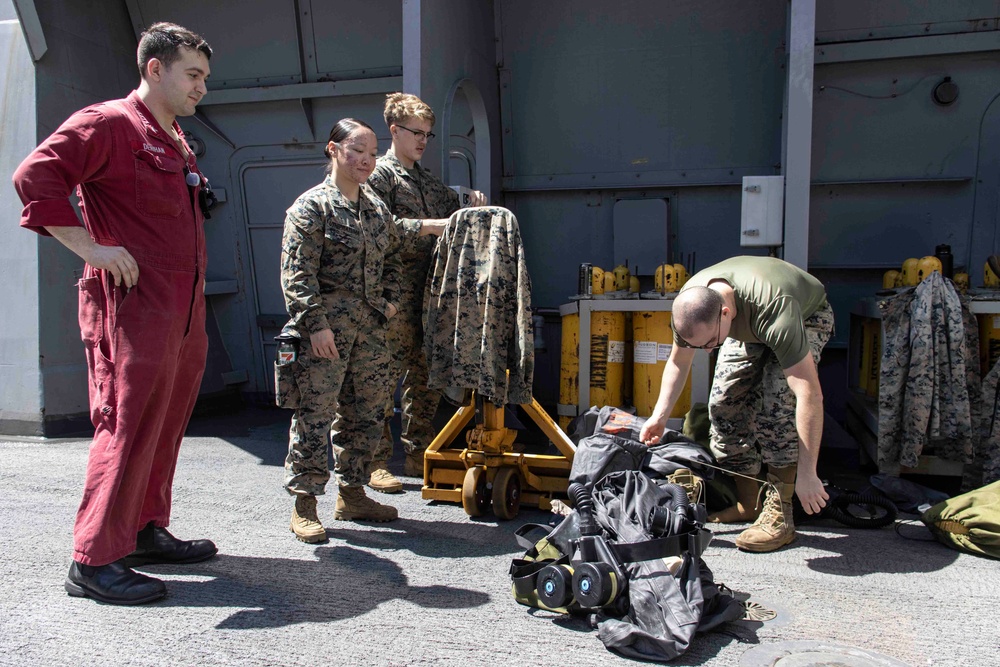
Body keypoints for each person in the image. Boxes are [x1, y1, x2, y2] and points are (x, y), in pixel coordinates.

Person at [12, 23, 217, 605]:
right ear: (156, 69)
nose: (202, 87)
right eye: (193, 75)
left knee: (166, 420)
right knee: (125, 424)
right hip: (133, 305)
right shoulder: (107, 123)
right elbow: (35, 175)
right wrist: (91, 249)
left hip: (182, 304)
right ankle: (93, 560)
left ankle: (144, 528)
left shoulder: (173, 136)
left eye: (205, 77)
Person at [280, 118, 450, 543]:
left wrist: (390, 301)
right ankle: (305, 504)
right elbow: (297, 275)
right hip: (325, 332)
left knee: (368, 414)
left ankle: (352, 494)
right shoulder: (312, 207)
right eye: (357, 150)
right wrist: (315, 326)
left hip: (371, 331)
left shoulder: (374, 208)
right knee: (315, 417)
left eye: (373, 153)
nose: (366, 160)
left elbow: (394, 248)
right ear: (333, 149)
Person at [638, 256, 834, 553]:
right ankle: (748, 503)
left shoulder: (774, 309)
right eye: (699, 345)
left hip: (804, 315)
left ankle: (781, 515)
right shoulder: (692, 307)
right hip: (748, 325)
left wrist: (809, 473)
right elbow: (679, 361)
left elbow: (809, 393)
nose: (705, 351)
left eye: (710, 343)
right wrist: (659, 416)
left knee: (777, 407)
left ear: (726, 313)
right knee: (723, 406)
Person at [365, 93, 487, 492]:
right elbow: (378, 228)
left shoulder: (425, 182)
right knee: (382, 381)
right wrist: (430, 224)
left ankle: (418, 453)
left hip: (429, 296)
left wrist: (471, 201)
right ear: (394, 131)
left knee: (426, 378)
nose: (422, 141)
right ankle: (374, 462)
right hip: (392, 297)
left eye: (428, 135)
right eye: (416, 133)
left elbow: (455, 204)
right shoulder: (378, 178)